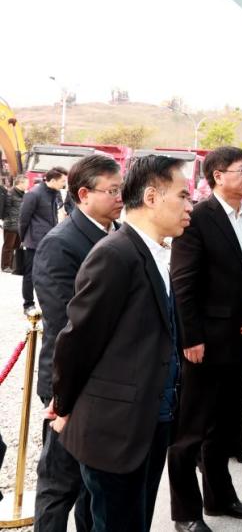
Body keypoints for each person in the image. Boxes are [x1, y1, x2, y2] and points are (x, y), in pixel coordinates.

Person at [48, 155, 193, 532]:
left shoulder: (157, 252)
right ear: (151, 197)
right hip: (115, 428)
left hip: (151, 418)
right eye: (183, 196)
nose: (190, 206)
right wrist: (63, 404)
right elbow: (78, 340)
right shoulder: (115, 254)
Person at [167, 146, 242, 531]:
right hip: (204, 344)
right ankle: (185, 514)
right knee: (190, 432)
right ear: (217, 176)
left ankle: (219, 498)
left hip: (238, 340)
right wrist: (190, 338)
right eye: (241, 170)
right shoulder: (197, 219)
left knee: (223, 428)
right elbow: (183, 284)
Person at [33, 155, 124, 532]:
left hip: (110, 381)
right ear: (84, 194)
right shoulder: (61, 243)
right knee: (60, 482)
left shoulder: (121, 234)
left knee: (95, 487)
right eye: (112, 191)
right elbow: (64, 323)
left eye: (122, 189)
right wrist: (64, 394)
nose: (121, 198)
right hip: (71, 380)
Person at [18, 167, 67, 313]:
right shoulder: (33, 194)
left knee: (48, 273)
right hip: (34, 242)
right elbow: (23, 219)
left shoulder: (55, 193)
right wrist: (23, 238)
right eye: (62, 181)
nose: (64, 184)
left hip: (49, 240)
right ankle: (28, 304)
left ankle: (47, 302)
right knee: (30, 274)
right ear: (53, 180)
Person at [2, 175, 27, 272]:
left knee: (16, 246)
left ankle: (12, 265)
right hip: (11, 224)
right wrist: (10, 221)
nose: (27, 185)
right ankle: (5, 266)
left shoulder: (23, 194)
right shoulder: (10, 193)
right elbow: (6, 209)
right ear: (20, 183)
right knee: (8, 246)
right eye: (26, 183)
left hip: (19, 225)